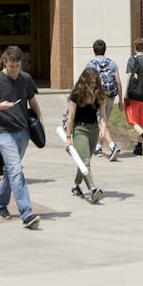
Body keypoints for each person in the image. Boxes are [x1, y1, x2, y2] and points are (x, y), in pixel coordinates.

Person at [0, 45, 44, 228]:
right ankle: (27, 213)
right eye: (11, 66)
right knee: (16, 170)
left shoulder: (26, 79)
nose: (14, 70)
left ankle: (0, 205)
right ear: (5, 62)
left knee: (11, 172)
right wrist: (0, 106)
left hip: (23, 132)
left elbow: (32, 101)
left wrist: (40, 120)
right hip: (3, 132)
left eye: (17, 66)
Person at [63, 66, 112, 203]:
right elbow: (70, 118)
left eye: (96, 82)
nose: (94, 85)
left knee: (85, 160)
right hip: (80, 130)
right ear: (84, 82)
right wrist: (68, 138)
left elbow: (102, 115)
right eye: (91, 82)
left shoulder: (99, 94)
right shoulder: (76, 95)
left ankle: (76, 186)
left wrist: (103, 128)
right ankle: (92, 189)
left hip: (93, 130)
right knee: (85, 160)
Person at [86, 39, 123, 160]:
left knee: (102, 123)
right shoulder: (112, 63)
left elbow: (89, 83)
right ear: (104, 50)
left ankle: (113, 146)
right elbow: (118, 82)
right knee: (103, 122)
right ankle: (98, 147)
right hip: (111, 95)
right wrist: (121, 100)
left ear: (94, 50)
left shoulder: (91, 64)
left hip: (98, 97)